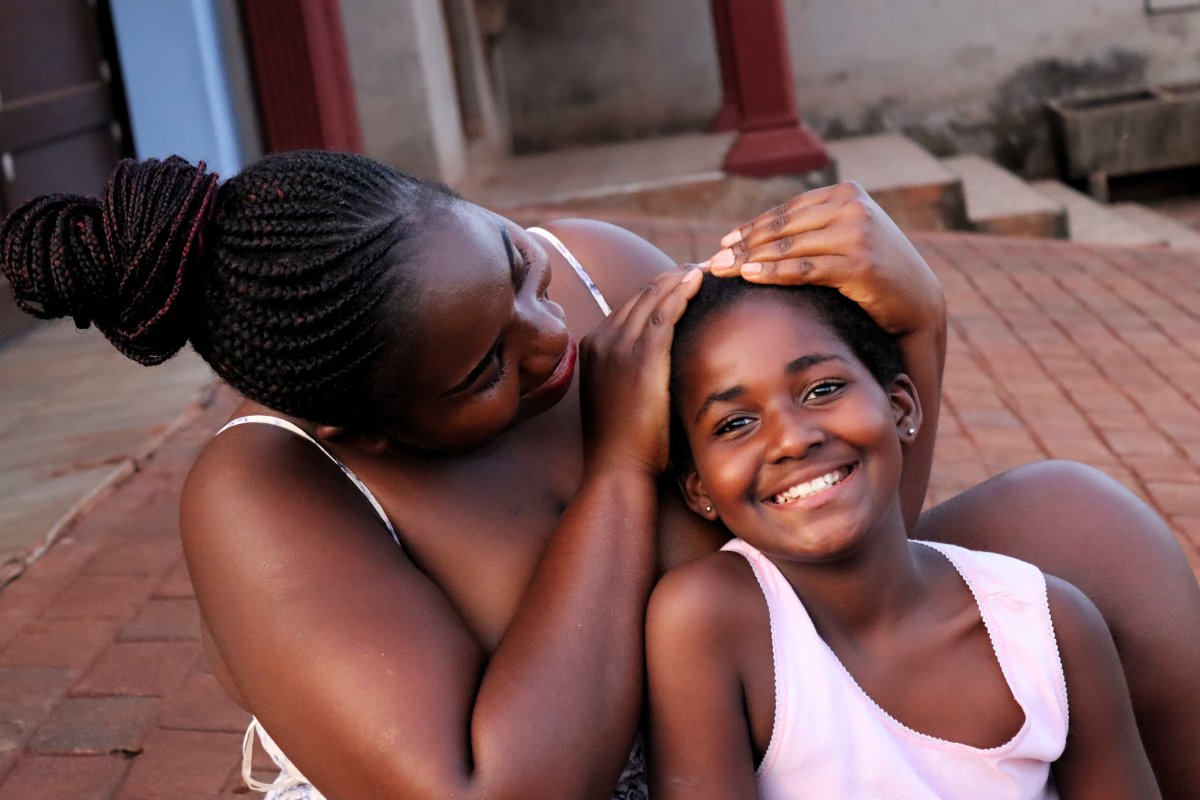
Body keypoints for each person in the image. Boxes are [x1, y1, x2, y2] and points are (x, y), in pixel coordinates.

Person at [0, 150, 1196, 799]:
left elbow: (824, 523)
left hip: (747, 696)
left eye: (511, 263)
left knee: (1081, 525)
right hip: (566, 777)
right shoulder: (270, 490)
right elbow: (492, 791)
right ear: (359, 427)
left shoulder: (593, 265)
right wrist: (621, 465)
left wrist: (916, 317)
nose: (550, 340)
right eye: (484, 368)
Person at [646, 276, 1160, 799]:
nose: (793, 440)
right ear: (698, 487)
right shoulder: (707, 619)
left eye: (822, 390)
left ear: (901, 408)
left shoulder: (1048, 628)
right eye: (734, 423)